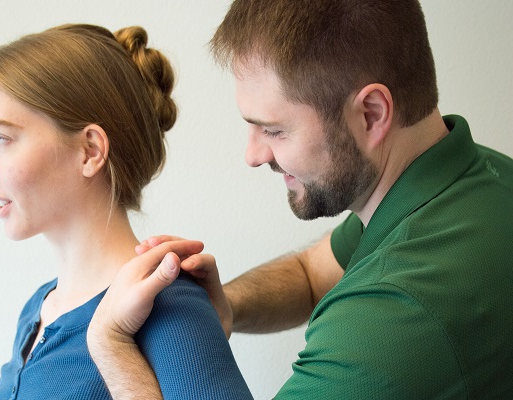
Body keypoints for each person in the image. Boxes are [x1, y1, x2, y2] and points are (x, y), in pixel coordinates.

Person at [86, 0, 513, 398]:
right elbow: (313, 274)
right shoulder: (473, 178)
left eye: (273, 130)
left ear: (372, 114)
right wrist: (225, 304)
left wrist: (110, 344)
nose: (253, 155)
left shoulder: (394, 311)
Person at [0, 23, 252, 399]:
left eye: (0, 138)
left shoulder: (168, 307)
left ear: (89, 151)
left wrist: (112, 346)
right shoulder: (37, 310)